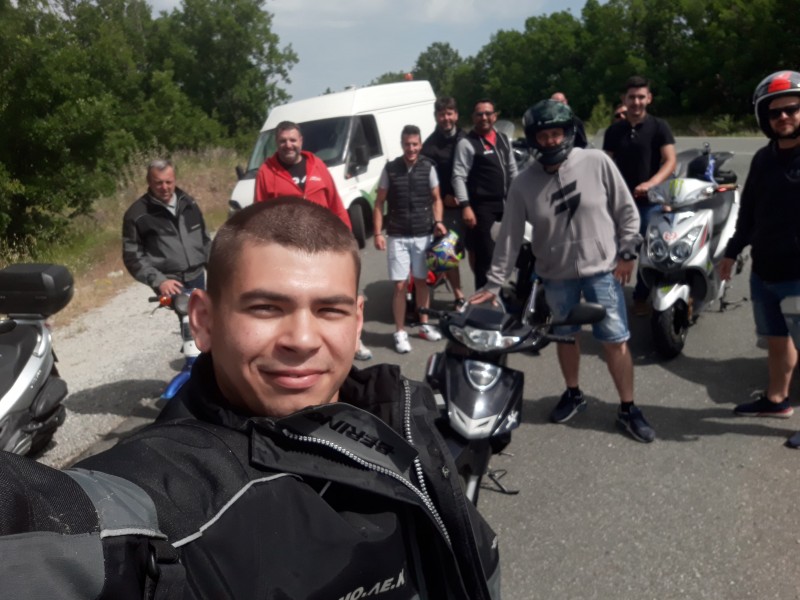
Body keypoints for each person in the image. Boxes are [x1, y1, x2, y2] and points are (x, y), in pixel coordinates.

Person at [0, 198, 501, 599]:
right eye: (266, 308)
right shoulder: (161, 494)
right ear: (203, 321)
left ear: (357, 320)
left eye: (329, 310)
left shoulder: (397, 413)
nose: (301, 340)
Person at [471, 99, 654, 443]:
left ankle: (628, 407)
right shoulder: (523, 183)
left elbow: (626, 210)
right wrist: (493, 285)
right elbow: (509, 237)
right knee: (566, 337)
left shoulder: (596, 162)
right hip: (555, 277)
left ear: (568, 133)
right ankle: (573, 393)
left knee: (615, 341)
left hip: (602, 271)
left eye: (556, 133)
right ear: (533, 139)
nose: (551, 140)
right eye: (543, 136)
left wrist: (628, 250)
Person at [720, 71, 800, 443]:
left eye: (792, 109)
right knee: (776, 340)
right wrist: (731, 251)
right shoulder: (763, 159)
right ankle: (777, 400)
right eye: (775, 112)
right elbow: (749, 211)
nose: (783, 117)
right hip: (764, 271)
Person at [256, 120, 373, 361]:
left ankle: (354, 341)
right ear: (276, 143)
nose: (288, 145)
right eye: (283, 141)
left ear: (301, 141)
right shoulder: (266, 172)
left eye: (292, 140)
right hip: (288, 253)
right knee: (298, 300)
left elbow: (336, 206)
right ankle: (304, 345)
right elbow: (260, 216)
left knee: (338, 295)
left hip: (324, 248)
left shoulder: (317, 165)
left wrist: (348, 241)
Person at [603, 76, 677, 316]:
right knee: (613, 251)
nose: (636, 102)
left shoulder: (659, 127)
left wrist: (651, 184)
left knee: (648, 252)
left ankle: (641, 298)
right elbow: (606, 164)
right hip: (618, 203)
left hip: (649, 202)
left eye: (641, 97)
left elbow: (670, 161)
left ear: (649, 99)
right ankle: (610, 297)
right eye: (631, 97)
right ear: (624, 100)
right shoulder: (614, 130)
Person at [374, 125, 448, 353]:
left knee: (422, 281)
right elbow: (379, 202)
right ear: (402, 144)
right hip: (397, 234)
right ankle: (400, 332)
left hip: (423, 234)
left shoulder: (428, 167)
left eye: (415, 144)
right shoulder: (391, 169)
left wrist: (438, 221)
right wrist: (377, 233)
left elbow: (436, 198)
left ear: (420, 145)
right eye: (407, 144)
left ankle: (424, 326)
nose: (411, 148)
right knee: (400, 285)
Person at [452, 98, 518, 290]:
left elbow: (512, 169)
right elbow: (458, 176)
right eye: (479, 114)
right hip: (482, 209)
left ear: (495, 116)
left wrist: (520, 197)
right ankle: (484, 300)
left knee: (508, 254)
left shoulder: (503, 139)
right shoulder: (467, 143)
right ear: (473, 117)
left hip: (506, 205)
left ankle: (503, 295)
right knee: (485, 258)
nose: (484, 117)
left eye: (488, 113)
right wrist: (465, 206)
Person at [122, 159, 211, 295]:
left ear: (174, 180)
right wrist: (159, 281)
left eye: (168, 182)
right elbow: (132, 258)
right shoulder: (137, 214)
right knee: (184, 310)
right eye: (159, 183)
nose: (164, 187)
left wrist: (216, 269)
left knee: (206, 309)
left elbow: (205, 241)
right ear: (149, 182)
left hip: (197, 277)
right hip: (170, 283)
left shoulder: (189, 204)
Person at [422, 96, 467, 308]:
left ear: (456, 115)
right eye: (442, 114)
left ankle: (485, 293)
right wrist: (445, 195)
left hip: (472, 205)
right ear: (436, 117)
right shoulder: (429, 146)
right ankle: (459, 296)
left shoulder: (467, 138)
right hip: (448, 207)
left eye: (449, 113)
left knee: (477, 252)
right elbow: (429, 182)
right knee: (448, 253)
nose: (446, 118)